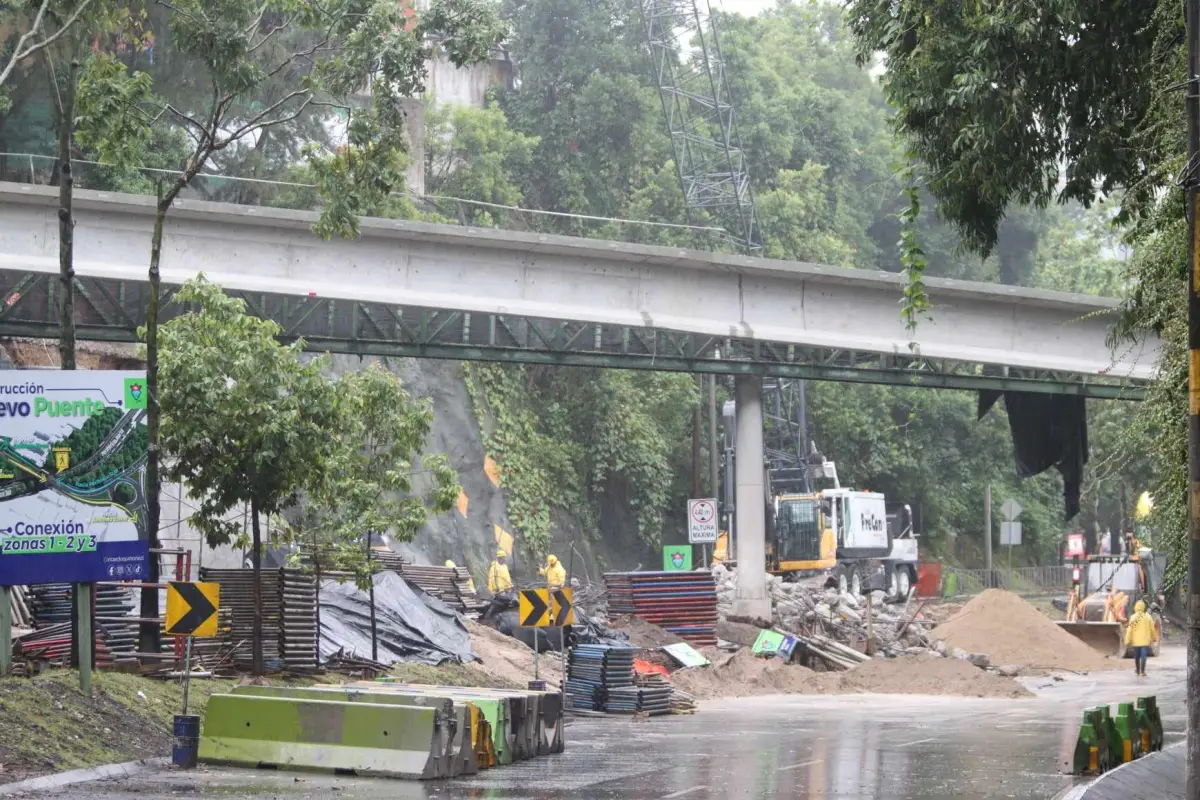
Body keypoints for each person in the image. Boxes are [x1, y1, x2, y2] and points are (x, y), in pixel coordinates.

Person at [1124, 600, 1159, 677]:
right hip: (1145, 641)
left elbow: (1129, 630)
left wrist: (1127, 640)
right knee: (1143, 656)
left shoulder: (1133, 617)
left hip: (1136, 642)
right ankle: (1142, 672)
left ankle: (1137, 670)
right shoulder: (1148, 617)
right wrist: (1154, 638)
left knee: (1137, 656)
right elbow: (1152, 629)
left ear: (1135, 607)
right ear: (1143, 607)